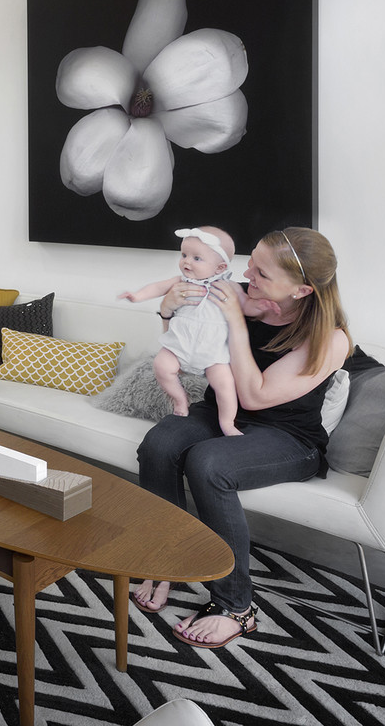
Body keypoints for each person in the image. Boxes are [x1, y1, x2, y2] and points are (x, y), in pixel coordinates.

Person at [130, 227, 350, 650]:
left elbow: (256, 395)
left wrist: (235, 319)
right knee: (158, 444)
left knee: (210, 464)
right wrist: (166, 311)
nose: (247, 272)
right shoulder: (242, 295)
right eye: (251, 262)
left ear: (302, 289)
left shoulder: (329, 338)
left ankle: (237, 607)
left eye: (261, 273)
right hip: (221, 412)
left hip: (287, 436)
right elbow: (192, 352)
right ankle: (165, 564)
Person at [120, 226, 249, 437]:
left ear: (220, 267)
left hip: (212, 353)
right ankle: (179, 400)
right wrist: (138, 296)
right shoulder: (181, 282)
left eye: (196, 258)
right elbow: (157, 287)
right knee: (161, 366)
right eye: (184, 255)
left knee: (225, 387)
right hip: (180, 346)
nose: (186, 262)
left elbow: (247, 304)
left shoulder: (228, 286)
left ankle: (227, 423)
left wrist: (261, 307)